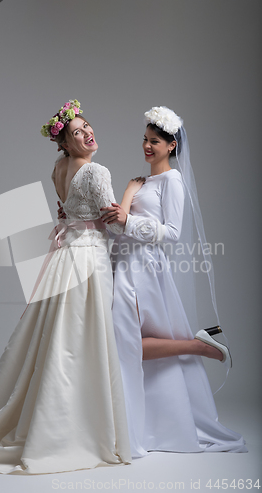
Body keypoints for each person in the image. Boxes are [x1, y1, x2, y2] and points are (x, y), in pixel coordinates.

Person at [0, 100, 131, 474]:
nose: (87, 134)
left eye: (87, 127)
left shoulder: (57, 169)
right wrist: (132, 197)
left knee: (60, 337)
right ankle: (78, 428)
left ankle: (50, 414)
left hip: (64, 256)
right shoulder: (97, 171)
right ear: (65, 144)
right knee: (84, 338)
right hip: (88, 259)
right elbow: (115, 225)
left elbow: (68, 212)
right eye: (77, 133)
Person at [100, 106, 247, 456]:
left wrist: (127, 220)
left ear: (171, 146)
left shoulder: (173, 181)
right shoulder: (142, 182)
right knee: (122, 343)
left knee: (126, 344)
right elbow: (119, 226)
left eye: (155, 141)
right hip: (124, 263)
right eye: (145, 140)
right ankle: (195, 347)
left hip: (145, 268)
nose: (147, 147)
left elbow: (173, 234)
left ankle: (197, 347)